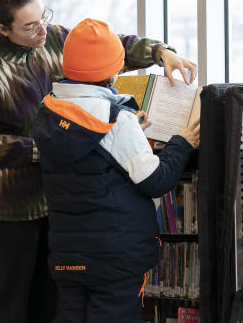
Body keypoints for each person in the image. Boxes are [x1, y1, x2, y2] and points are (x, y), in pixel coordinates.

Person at [0, 0, 197, 323]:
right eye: (29, 26)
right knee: (10, 309)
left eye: (44, 17)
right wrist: (49, 146)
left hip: (67, 205)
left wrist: (159, 52)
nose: (42, 30)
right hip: (16, 210)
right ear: (2, 29)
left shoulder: (56, 39)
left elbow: (108, 49)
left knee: (55, 309)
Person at [32, 18, 200, 323]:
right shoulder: (116, 118)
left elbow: (88, 150)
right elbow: (155, 181)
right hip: (114, 257)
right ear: (112, 70)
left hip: (68, 257)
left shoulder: (48, 113)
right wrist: (182, 144)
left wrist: (129, 129)